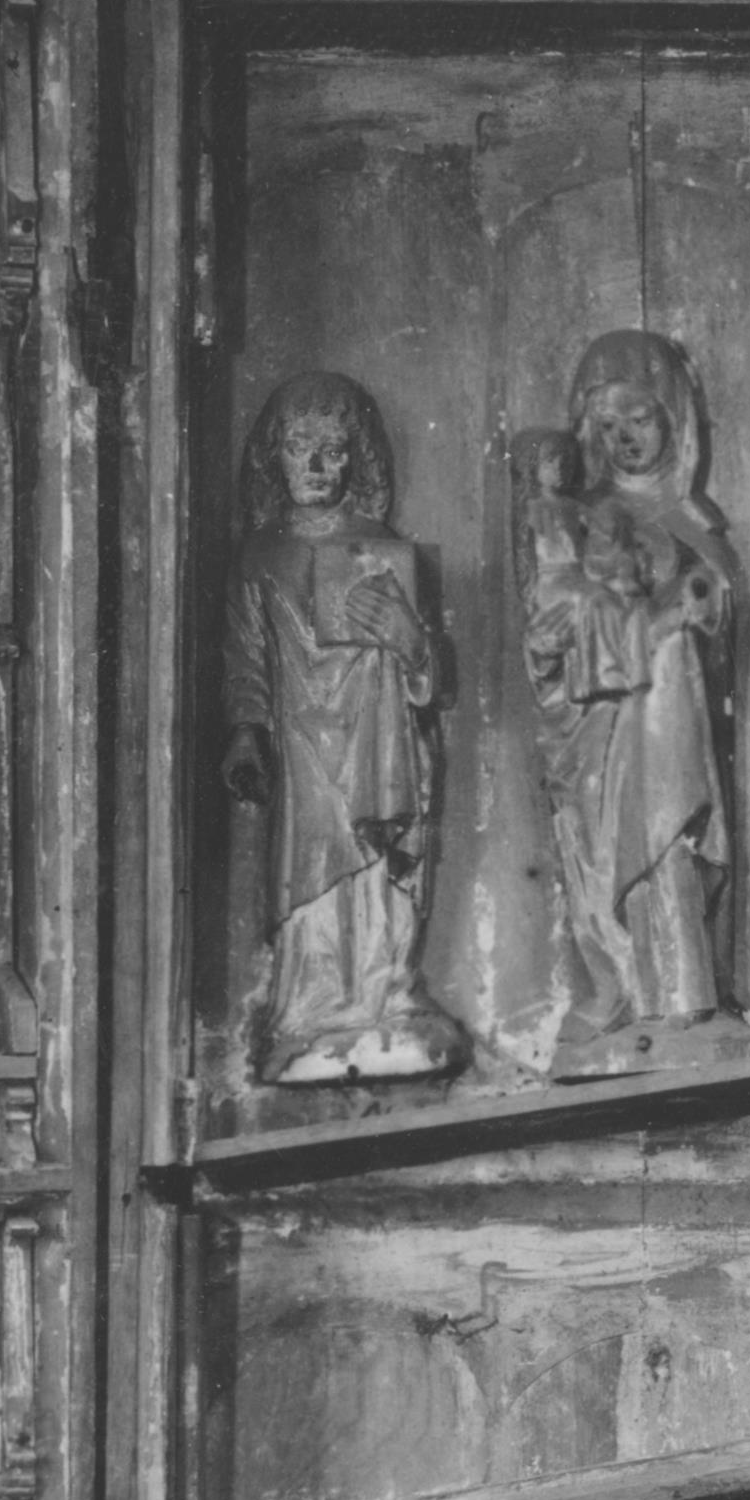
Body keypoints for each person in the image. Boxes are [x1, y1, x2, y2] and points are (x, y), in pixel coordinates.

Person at [524, 331, 750, 1078]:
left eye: (640, 419)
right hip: (606, 733)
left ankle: (687, 991)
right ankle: (646, 997)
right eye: (607, 424)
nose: (624, 438)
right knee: (633, 851)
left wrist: (695, 613)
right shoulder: (575, 523)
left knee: (673, 844)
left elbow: (721, 630)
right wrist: (656, 621)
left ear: (674, 419)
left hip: (680, 729)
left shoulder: (698, 524)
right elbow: (550, 636)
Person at [226, 368, 457, 1082]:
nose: (317, 467)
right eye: (300, 448)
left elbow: (429, 674)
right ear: (275, 456)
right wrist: (245, 732)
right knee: (310, 865)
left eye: (332, 450)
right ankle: (309, 1013)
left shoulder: (379, 546)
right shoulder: (259, 556)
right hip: (301, 741)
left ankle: (387, 994)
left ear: (356, 458)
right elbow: (246, 658)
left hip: (376, 735)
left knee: (380, 857)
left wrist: (409, 641)